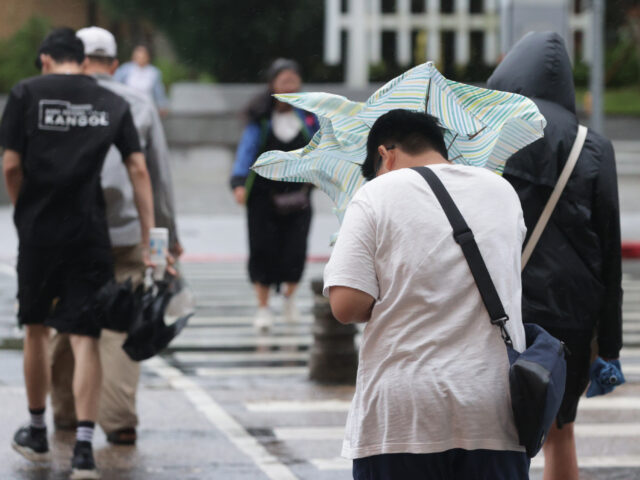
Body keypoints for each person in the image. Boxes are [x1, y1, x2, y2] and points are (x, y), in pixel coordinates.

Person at [324, 109, 530, 480]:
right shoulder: (502, 192)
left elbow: (346, 306)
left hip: (404, 414)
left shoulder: (376, 194)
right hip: (494, 408)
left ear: (386, 155)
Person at [0, 28, 154, 479]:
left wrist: (24, 208)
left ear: (46, 59)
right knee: (87, 336)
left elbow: (10, 164)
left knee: (35, 328)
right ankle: (85, 449)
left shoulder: (26, 93)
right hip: (91, 232)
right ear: (83, 61)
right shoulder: (111, 101)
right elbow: (139, 168)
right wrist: (150, 236)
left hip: (41, 232)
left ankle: (36, 431)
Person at [487, 32, 623, 480]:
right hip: (572, 315)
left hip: (503, 307)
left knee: (497, 435)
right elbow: (608, 250)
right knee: (561, 430)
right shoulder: (594, 147)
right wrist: (612, 344)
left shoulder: (493, 134)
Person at [47, 26, 182, 447]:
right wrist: (165, 242)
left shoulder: (51, 99)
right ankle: (118, 419)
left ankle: (67, 412)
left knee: (66, 319)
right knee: (121, 322)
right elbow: (156, 179)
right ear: (115, 62)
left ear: (77, 58)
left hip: (65, 232)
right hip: (127, 233)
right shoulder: (137, 103)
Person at [230, 59, 319, 331]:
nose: (290, 85)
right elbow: (246, 150)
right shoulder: (261, 118)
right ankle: (263, 307)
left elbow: (324, 146)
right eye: (284, 81)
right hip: (262, 197)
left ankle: (289, 299)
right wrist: (239, 182)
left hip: (298, 196)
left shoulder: (310, 116)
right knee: (262, 250)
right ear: (272, 85)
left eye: (294, 80)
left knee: (295, 250)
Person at [114, 44, 169, 115]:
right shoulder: (125, 69)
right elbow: (117, 85)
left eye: (143, 57)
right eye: (138, 56)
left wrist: (162, 105)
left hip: (147, 106)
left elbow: (158, 91)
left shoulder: (153, 72)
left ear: (148, 57)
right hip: (129, 105)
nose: (140, 59)